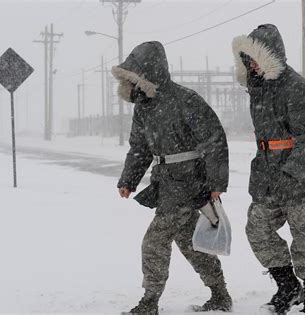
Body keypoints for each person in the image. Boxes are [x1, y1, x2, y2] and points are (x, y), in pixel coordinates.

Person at [113, 41, 233, 315]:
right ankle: (220, 294)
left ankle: (149, 303)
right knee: (191, 243)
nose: (132, 85)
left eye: (135, 78)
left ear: (148, 74)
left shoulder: (186, 100)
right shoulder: (142, 108)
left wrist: (216, 184)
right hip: (165, 184)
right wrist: (128, 180)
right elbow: (140, 147)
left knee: (154, 242)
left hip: (190, 183)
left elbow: (214, 140)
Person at [231, 24, 305, 315]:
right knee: (257, 230)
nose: (252, 64)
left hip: (303, 177)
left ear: (271, 56)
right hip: (268, 176)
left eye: (257, 57)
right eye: (248, 58)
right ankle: (288, 286)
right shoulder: (258, 88)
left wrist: (291, 173)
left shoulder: (296, 88)